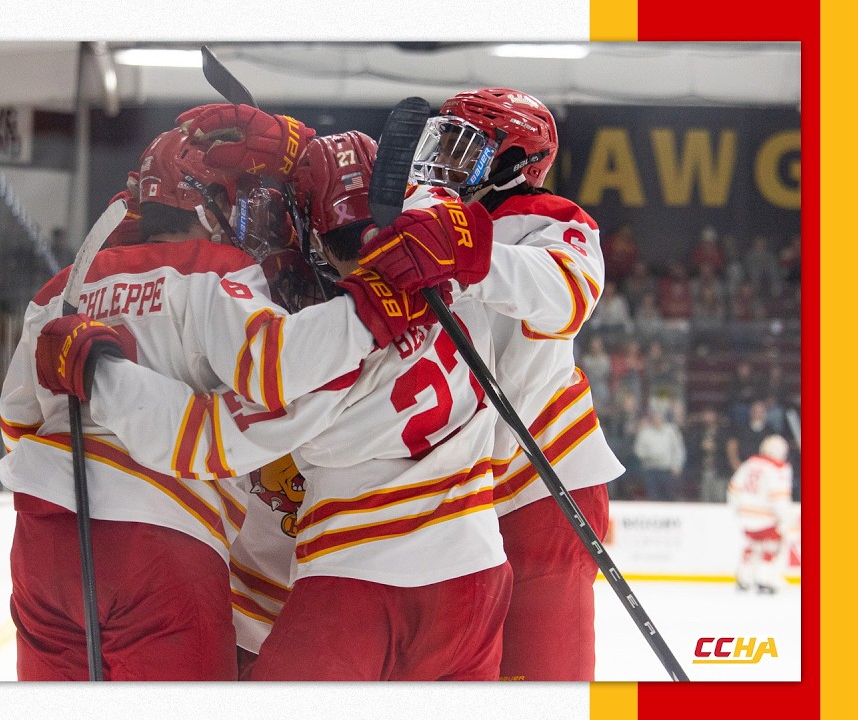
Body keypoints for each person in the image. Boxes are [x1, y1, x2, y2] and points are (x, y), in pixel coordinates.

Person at [44, 126, 515, 681]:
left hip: (363, 579)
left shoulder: (325, 351)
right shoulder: (467, 297)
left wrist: (99, 372)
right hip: (478, 580)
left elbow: (203, 440)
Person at [374, 87, 624, 680]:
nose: (443, 160)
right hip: (454, 488)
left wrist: (464, 250)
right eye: (441, 140)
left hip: (542, 480)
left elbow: (565, 293)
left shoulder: (556, 219)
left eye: (466, 147)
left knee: (542, 677)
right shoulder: (422, 215)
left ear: (516, 164)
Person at [727, 434, 794, 593]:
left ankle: (743, 577)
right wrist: (785, 519)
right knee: (772, 546)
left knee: (751, 545)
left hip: (745, 516)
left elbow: (733, 488)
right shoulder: (778, 469)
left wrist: (737, 509)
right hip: (766, 517)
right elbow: (778, 497)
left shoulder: (749, 464)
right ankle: (764, 578)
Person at [633, 408, 686, 500]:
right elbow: (638, 450)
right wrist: (648, 456)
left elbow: (678, 449)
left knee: (670, 497)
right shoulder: (645, 432)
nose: (657, 419)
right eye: (655, 417)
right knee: (653, 497)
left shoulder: (671, 431)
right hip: (650, 470)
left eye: (659, 417)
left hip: (667, 470)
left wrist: (677, 466)